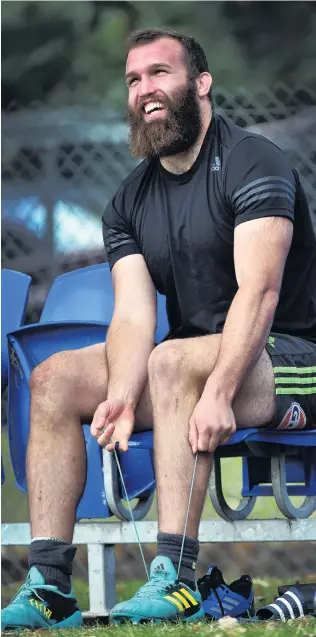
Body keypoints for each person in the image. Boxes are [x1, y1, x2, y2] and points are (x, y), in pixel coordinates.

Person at [2, 27, 316, 630]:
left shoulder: (253, 160)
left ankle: (176, 577)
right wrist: (120, 395)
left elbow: (263, 291)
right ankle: (48, 586)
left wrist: (220, 390)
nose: (145, 89)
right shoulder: (128, 201)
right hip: (195, 365)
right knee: (55, 378)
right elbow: (133, 317)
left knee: (173, 361)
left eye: (160, 73)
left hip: (290, 355)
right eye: (133, 79)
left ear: (201, 85)